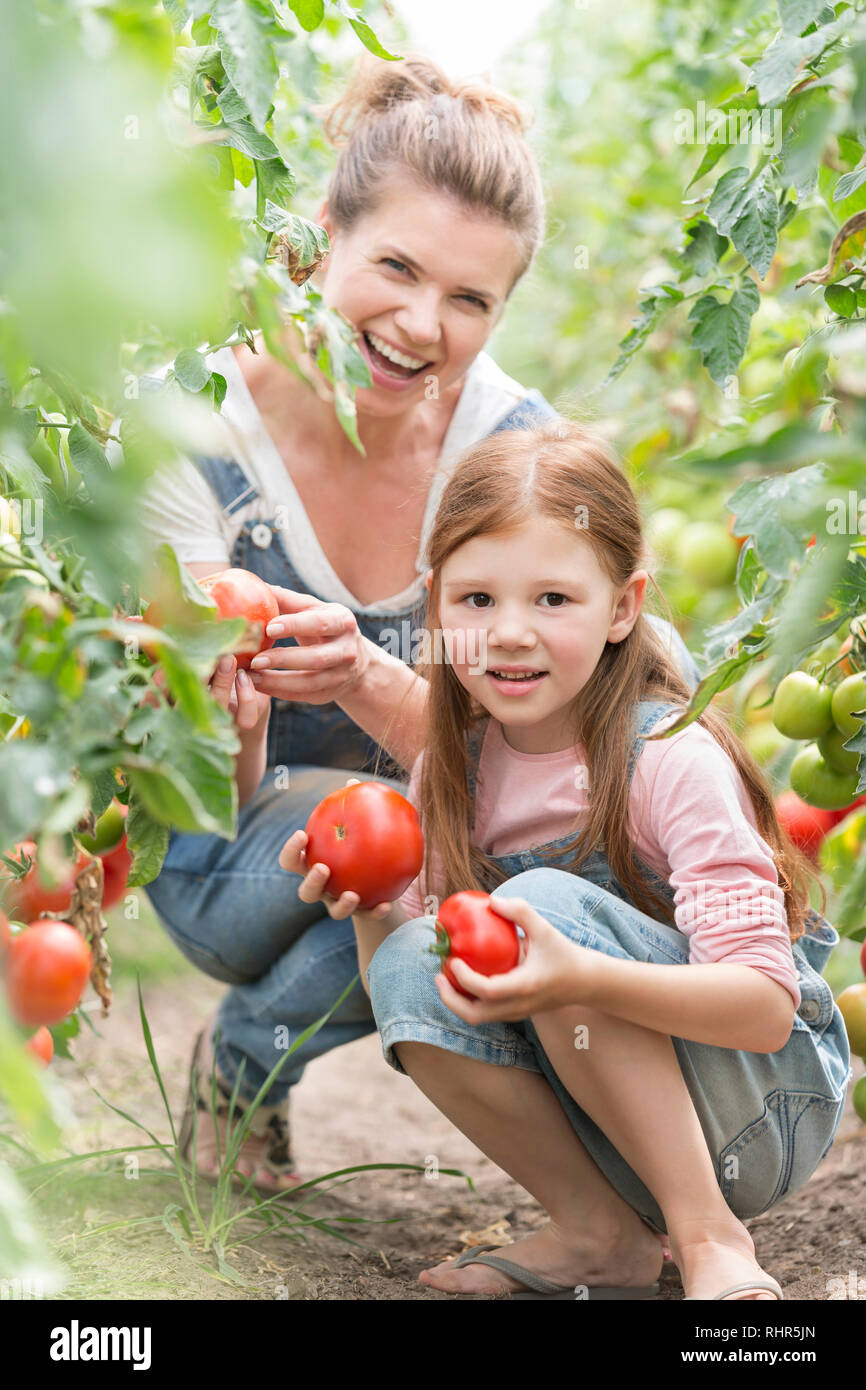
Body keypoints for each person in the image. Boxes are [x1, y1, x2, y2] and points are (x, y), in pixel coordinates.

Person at [140, 52, 700, 1191]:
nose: (418, 325)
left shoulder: (508, 457)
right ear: (319, 239)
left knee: (506, 836)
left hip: (427, 832)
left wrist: (365, 679)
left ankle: (246, 1066)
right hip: (223, 854)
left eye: (468, 300)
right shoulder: (191, 431)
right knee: (425, 832)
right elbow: (191, 787)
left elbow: (640, 704)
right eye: (393, 266)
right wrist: (233, 712)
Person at [280, 418, 851, 1301]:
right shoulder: (455, 770)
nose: (510, 633)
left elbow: (764, 1012)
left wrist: (578, 976)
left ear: (623, 607)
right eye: (476, 601)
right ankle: (601, 1235)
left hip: (755, 1109)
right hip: (607, 1138)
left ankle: (710, 1238)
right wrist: (372, 901)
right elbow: (427, 995)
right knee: (407, 955)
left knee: (540, 905)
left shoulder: (668, 758)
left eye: (553, 599)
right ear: (434, 603)